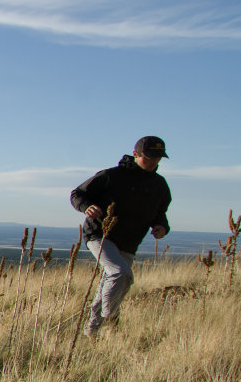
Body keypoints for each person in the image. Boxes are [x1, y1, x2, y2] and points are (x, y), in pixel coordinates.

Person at [70, 136, 171, 335]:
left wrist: (161, 227)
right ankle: (111, 318)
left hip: (130, 242)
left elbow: (160, 213)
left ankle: (92, 332)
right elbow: (77, 194)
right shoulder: (111, 175)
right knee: (120, 272)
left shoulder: (159, 185)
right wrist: (86, 207)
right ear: (136, 155)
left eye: (157, 159)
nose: (153, 163)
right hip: (100, 235)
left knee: (113, 282)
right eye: (148, 158)